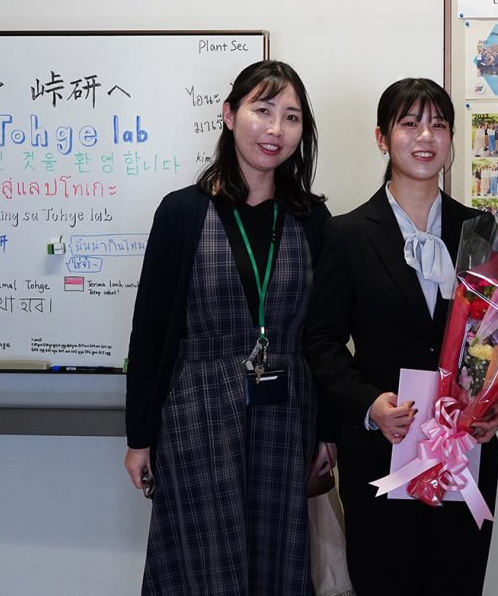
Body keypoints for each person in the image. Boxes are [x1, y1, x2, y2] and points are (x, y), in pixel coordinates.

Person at [124, 60, 333, 596]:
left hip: (288, 417)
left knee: (278, 562)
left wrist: (328, 431)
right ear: (229, 114)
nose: (275, 129)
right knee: (203, 566)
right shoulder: (182, 213)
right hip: (196, 414)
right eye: (262, 110)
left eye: (291, 117)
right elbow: (149, 332)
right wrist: (139, 438)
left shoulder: (312, 219)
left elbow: (325, 337)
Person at [305, 78, 498, 596]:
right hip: (383, 448)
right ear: (382, 138)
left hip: (463, 452)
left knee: (457, 582)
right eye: (409, 123)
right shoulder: (347, 233)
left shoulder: (479, 229)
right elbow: (322, 341)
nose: (426, 136)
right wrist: (368, 404)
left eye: (438, 124)